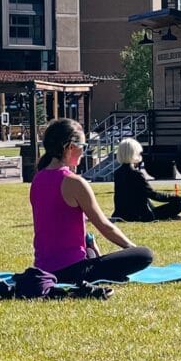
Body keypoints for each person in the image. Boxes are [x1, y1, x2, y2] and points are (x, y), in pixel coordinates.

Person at [31, 119, 154, 283]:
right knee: (144, 255)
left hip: (43, 268)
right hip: (74, 270)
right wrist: (132, 248)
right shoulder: (74, 182)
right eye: (84, 146)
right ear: (70, 147)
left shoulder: (37, 179)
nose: (84, 151)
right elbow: (105, 227)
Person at [111, 138, 181, 222]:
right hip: (140, 215)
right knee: (180, 203)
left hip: (121, 214)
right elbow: (153, 195)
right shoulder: (136, 174)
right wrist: (177, 197)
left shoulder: (117, 173)